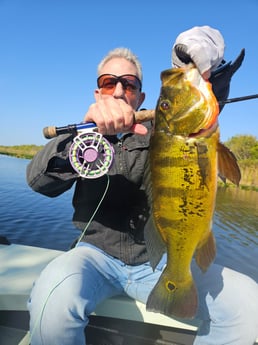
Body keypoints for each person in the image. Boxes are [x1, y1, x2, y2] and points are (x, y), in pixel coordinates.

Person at [26, 25, 258, 345]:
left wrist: (200, 69)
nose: (119, 91)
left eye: (129, 84)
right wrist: (84, 138)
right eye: (109, 83)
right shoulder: (81, 135)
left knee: (250, 307)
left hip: (157, 261)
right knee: (53, 300)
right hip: (93, 258)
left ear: (142, 96)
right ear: (98, 93)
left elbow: (195, 108)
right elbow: (38, 181)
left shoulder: (162, 132)